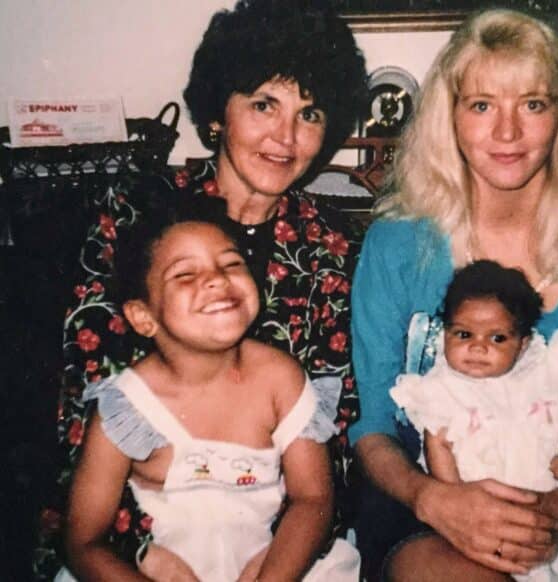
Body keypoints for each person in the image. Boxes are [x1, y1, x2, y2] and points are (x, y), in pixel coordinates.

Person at [35, 1, 368, 578]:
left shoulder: (333, 247)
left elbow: (329, 436)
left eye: (310, 114)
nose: (285, 137)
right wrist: (146, 552)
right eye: (265, 104)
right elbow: (88, 396)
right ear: (219, 111)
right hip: (137, 531)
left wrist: (265, 562)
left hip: (274, 540)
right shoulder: (137, 214)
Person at [349, 7, 558, 581]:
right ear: (448, 118)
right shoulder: (396, 248)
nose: (507, 133)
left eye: (533, 104)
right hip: (421, 513)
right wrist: (432, 499)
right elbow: (373, 422)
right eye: (482, 105)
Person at [61, 209, 360, 581]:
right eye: (185, 274)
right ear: (142, 316)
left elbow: (313, 499)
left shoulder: (280, 379)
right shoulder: (126, 407)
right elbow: (84, 541)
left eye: (232, 264)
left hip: (274, 565)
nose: (217, 279)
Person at [389, 260, 558, 581]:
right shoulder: (442, 389)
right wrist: (455, 497)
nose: (478, 346)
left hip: (546, 501)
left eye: (497, 338)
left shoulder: (537, 374)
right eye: (463, 334)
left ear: (523, 343)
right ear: (445, 335)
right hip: (481, 506)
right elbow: (438, 444)